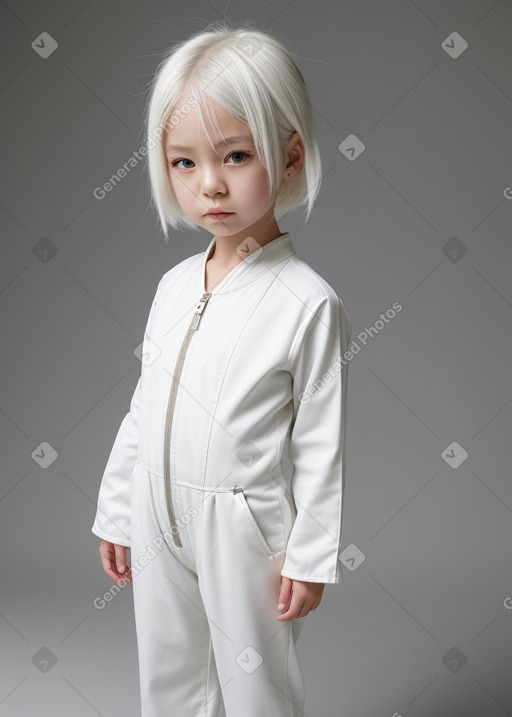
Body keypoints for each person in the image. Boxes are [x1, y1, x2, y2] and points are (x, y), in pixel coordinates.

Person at [91, 19, 352, 717]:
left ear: (290, 157)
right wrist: (118, 506)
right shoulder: (175, 286)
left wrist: (310, 554)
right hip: (156, 509)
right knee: (169, 670)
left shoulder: (307, 302)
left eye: (235, 156)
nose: (210, 184)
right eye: (184, 162)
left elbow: (323, 443)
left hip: (241, 522)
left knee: (254, 678)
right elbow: (145, 406)